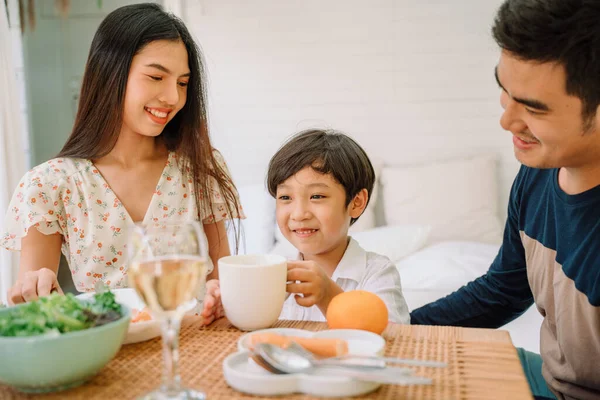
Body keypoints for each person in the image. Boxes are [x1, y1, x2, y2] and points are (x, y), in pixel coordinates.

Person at [1, 3, 244, 325]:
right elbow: (39, 309)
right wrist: (34, 296)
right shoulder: (49, 184)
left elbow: (225, 287)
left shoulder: (200, 168)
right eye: (156, 76)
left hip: (194, 352)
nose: (172, 97)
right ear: (110, 73)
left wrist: (225, 298)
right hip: (106, 357)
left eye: (183, 83)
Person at [410, 0, 600, 399]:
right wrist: (396, 329)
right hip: (550, 379)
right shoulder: (537, 171)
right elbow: (504, 289)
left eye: (532, 107)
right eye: (504, 90)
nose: (507, 121)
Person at [266, 129, 410, 323]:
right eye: (285, 197)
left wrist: (329, 296)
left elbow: (391, 338)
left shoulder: (377, 273)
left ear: (356, 203)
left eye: (317, 196)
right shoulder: (272, 272)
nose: (299, 214)